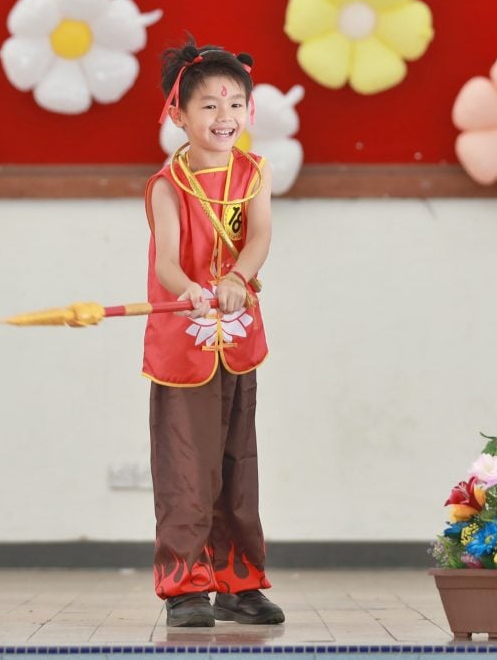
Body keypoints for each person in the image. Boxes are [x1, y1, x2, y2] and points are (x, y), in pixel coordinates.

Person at [142, 36, 282, 628]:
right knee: (187, 469)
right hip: (186, 342)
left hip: (238, 337)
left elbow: (258, 238)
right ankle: (185, 587)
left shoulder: (255, 173)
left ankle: (238, 582)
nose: (225, 117)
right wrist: (193, 289)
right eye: (208, 105)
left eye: (235, 104)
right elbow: (168, 264)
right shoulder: (166, 185)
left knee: (236, 466)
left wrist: (239, 278)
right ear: (178, 114)